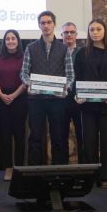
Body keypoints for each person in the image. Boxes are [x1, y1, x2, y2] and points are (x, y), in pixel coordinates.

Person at [74, 18, 107, 188]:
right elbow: (76, 78)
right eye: (92, 29)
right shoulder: (81, 53)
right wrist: (77, 94)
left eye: (98, 29)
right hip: (87, 105)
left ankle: (106, 177)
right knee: (89, 141)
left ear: (105, 31)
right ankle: (90, 176)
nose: (95, 32)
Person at [20, 11, 74, 166]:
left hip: (57, 101)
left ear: (54, 24)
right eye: (42, 23)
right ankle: (34, 173)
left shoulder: (64, 49)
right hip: (36, 100)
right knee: (35, 137)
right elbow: (23, 72)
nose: (46, 25)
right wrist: (28, 83)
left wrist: (66, 88)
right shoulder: (31, 47)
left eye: (49, 22)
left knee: (58, 137)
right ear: (39, 25)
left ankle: (59, 172)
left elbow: (70, 75)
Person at [0, 29, 27, 180]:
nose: (11, 41)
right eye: (8, 39)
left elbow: (27, 79)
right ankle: (7, 168)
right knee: (4, 135)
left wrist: (14, 95)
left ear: (18, 41)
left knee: (19, 135)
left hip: (19, 99)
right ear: (4, 42)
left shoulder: (25, 57)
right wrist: (1, 95)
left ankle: (19, 168)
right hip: (2, 100)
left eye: (13, 38)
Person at [61, 21, 83, 162]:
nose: (69, 35)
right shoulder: (56, 52)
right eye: (66, 32)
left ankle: (84, 167)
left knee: (82, 135)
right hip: (61, 99)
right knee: (61, 135)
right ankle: (62, 167)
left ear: (76, 34)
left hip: (80, 99)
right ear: (61, 35)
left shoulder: (83, 52)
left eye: (72, 32)